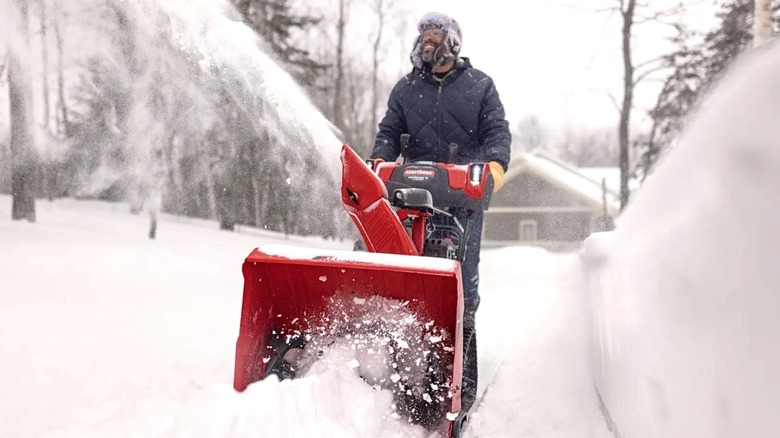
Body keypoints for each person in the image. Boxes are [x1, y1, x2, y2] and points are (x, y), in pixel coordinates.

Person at [369, 11, 512, 415]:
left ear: (452, 41)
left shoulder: (480, 86)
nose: (426, 43)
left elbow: (497, 134)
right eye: (423, 37)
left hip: (460, 205)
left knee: (461, 292)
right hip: (410, 203)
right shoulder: (405, 89)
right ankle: (398, 377)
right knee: (407, 288)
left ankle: (460, 389)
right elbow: (387, 134)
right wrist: (379, 161)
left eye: (434, 36)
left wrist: (492, 170)